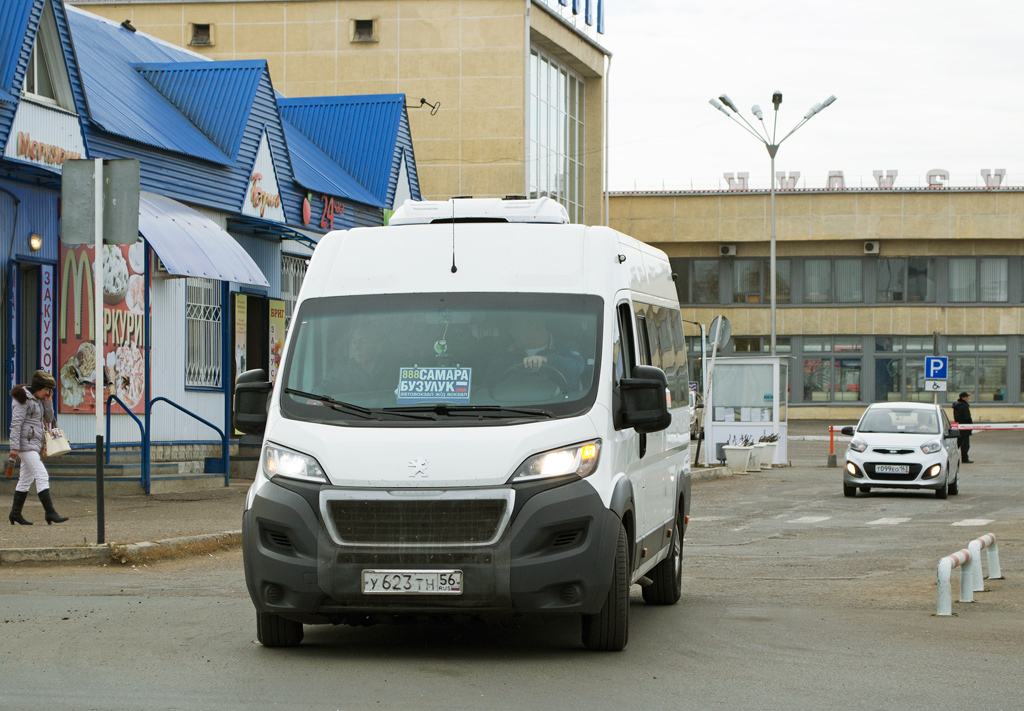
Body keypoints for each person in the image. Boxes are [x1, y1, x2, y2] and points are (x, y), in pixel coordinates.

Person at [8, 370, 68, 525]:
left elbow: (49, 419)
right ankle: (50, 512)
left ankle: (15, 514)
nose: (48, 392)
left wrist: (48, 401)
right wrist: (14, 447)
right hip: (25, 445)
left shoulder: (39, 399)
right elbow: (16, 424)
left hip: (34, 444)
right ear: (39, 387)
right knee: (41, 475)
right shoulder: (22, 399)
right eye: (47, 389)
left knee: (25, 479)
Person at [489, 315, 584, 391]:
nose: (512, 331)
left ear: (537, 327)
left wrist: (547, 359)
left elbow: (578, 367)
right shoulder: (505, 352)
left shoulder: (565, 347)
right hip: (512, 408)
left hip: (562, 410)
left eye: (516, 325)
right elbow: (489, 384)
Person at [952, 391, 973, 463]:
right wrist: (970, 424)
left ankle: (952, 457)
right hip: (965, 428)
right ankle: (965, 458)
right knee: (965, 445)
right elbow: (967, 417)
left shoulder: (956, 406)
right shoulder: (964, 406)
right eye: (967, 397)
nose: (968, 398)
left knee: (958, 444)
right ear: (963, 398)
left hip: (959, 427)